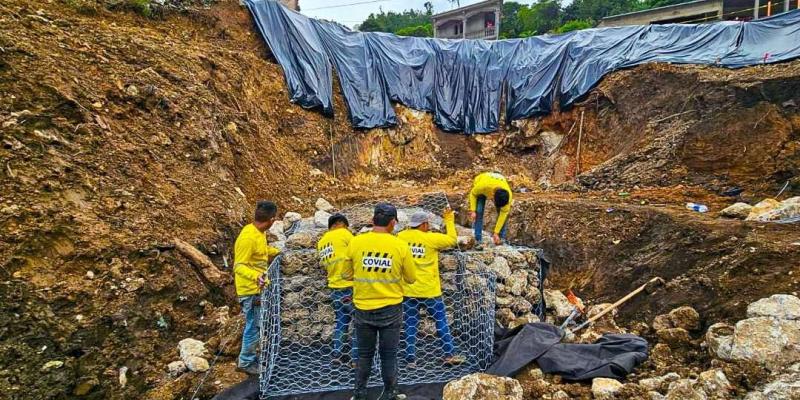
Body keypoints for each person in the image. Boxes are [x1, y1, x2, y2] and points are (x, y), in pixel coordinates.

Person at [342, 203, 417, 400]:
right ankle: (391, 393)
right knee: (389, 355)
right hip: (391, 309)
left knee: (364, 354)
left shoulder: (356, 242)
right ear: (393, 222)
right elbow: (411, 278)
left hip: (363, 308)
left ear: (372, 220)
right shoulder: (400, 246)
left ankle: (359, 394)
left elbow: (345, 274)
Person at [398, 209, 464, 366]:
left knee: (410, 323)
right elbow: (452, 239)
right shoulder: (431, 239)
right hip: (429, 290)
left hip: (409, 290)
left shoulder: (401, 237)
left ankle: (410, 358)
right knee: (440, 321)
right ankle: (449, 355)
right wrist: (449, 219)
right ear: (424, 224)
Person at [233, 200, 281, 375]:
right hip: (250, 291)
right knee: (253, 327)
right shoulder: (247, 237)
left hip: (258, 288)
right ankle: (246, 362)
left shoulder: (259, 233)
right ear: (271, 220)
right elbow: (238, 266)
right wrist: (256, 276)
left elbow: (261, 251)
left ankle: (252, 357)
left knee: (257, 326)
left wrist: (277, 252)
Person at [316, 213, 357, 365]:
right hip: (349, 286)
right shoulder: (344, 234)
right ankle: (355, 358)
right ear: (342, 224)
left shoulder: (322, 242)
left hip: (334, 287)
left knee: (341, 321)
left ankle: (337, 354)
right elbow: (357, 253)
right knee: (359, 323)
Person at [468, 172, 512, 246]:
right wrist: (473, 210)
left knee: (502, 214)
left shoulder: (507, 197)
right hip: (482, 180)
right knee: (479, 211)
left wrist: (496, 232)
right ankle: (478, 240)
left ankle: (500, 239)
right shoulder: (482, 186)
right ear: (492, 196)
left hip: (499, 181)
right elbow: (473, 194)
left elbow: (503, 214)